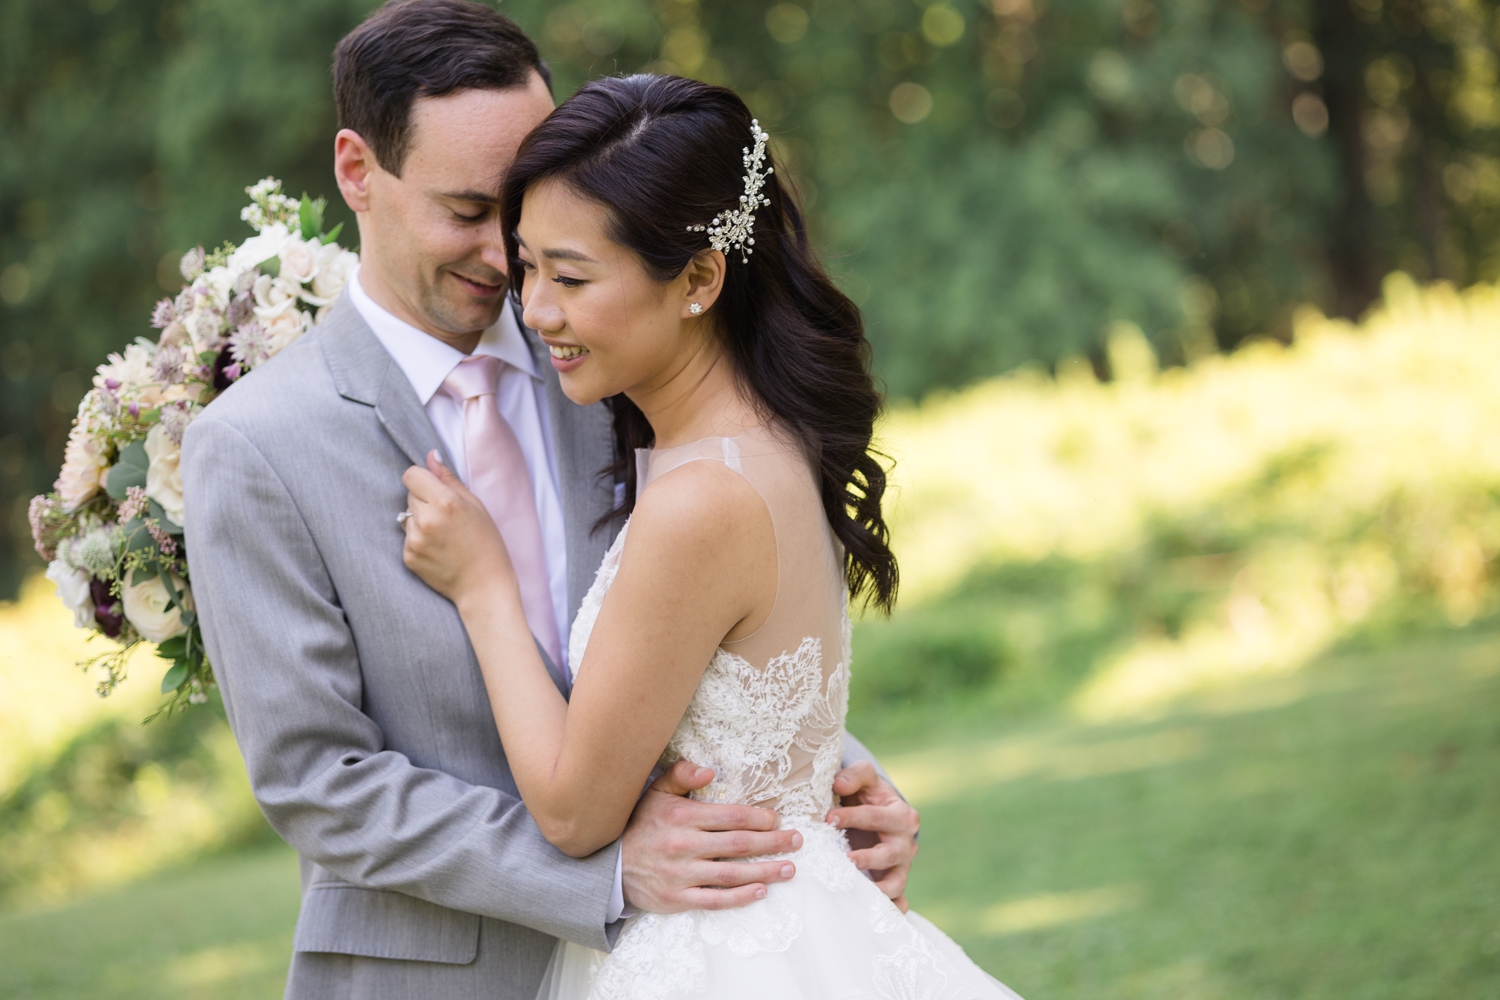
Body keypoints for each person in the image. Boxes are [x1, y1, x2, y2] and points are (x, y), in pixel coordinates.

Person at [181, 2, 916, 998]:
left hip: (701, 946)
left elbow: (691, 613)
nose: (507, 260)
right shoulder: (257, 444)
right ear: (359, 172)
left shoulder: (609, 348)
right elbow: (320, 782)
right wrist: (605, 874)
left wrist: (817, 774)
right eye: (468, 212)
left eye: (524, 212)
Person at [399, 73, 1020, 1000]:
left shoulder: (701, 497)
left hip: (733, 948)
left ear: (698, 278)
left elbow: (572, 811)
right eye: (526, 266)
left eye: (570, 277)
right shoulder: (757, 441)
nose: (535, 310)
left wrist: (484, 589)